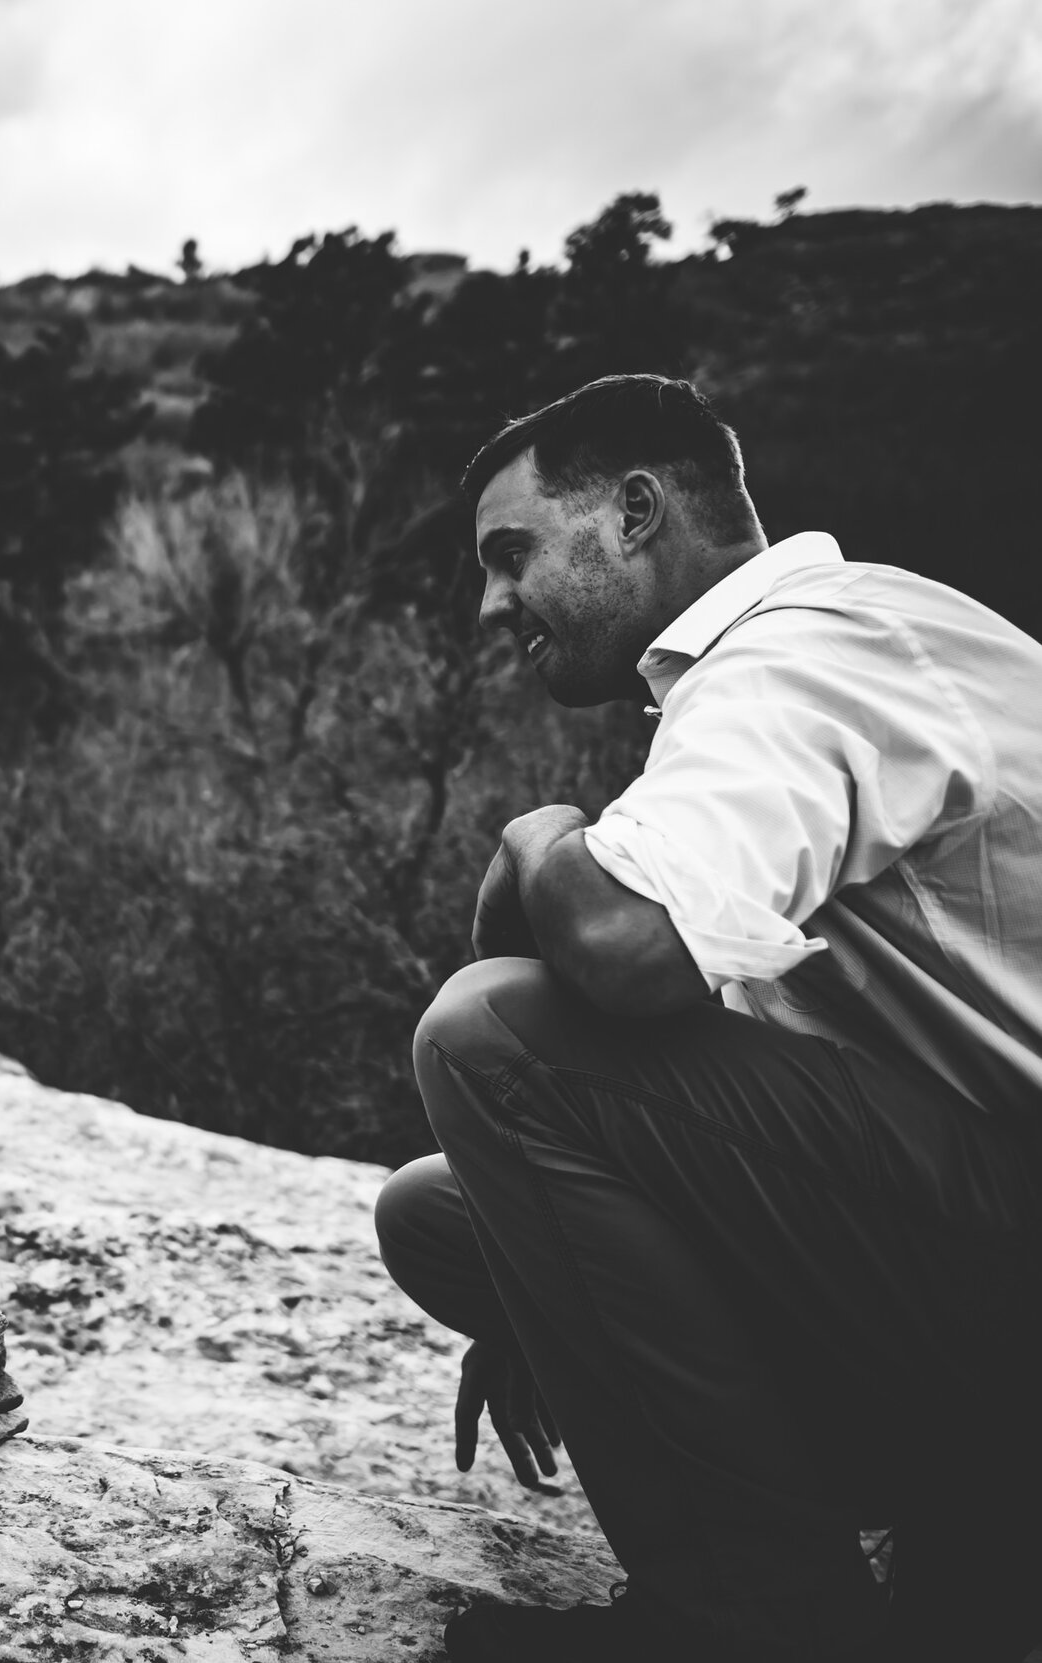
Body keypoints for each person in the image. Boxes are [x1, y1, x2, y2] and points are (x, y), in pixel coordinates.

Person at [374, 375, 1042, 1662]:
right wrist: (551, 1285)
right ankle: (936, 1507)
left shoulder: (800, 651)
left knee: (487, 1036)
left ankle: (755, 1621)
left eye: (510, 555)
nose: (489, 605)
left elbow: (624, 954)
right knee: (444, 1216)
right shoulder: (819, 654)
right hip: (973, 1228)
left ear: (633, 512)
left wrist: (538, 832)